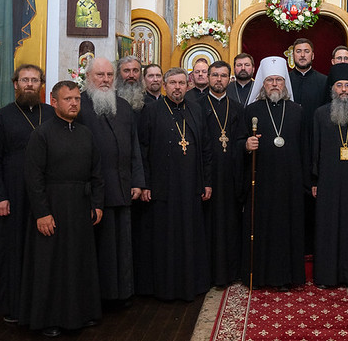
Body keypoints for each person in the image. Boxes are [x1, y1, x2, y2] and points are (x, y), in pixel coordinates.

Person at [19, 80, 103, 337]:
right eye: (68, 99)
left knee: (79, 261)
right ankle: (50, 319)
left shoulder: (86, 133)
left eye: (77, 99)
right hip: (53, 206)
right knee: (52, 264)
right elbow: (33, 178)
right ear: (54, 102)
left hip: (80, 206)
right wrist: (42, 213)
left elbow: (97, 173)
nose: (74, 103)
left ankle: (82, 313)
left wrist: (97, 204)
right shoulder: (41, 134)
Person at [0, 64, 55, 324]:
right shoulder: (1, 117)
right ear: (15, 84)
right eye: (25, 80)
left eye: (34, 80)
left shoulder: (52, 114)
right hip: (13, 192)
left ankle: (42, 304)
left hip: (47, 192)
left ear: (41, 85)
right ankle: (12, 305)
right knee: (12, 248)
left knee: (42, 248)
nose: (29, 85)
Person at [138, 68, 212, 300]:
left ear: (188, 86)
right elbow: (142, 149)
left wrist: (207, 182)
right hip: (163, 186)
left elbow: (206, 148)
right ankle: (166, 287)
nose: (177, 87)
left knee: (190, 234)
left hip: (191, 184)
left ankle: (192, 284)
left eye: (181, 83)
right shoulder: (151, 110)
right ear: (165, 85)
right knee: (166, 236)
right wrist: (145, 183)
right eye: (172, 83)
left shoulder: (196, 109)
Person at [77, 57, 144, 306]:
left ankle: (122, 294)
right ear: (88, 77)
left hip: (123, 186)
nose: (105, 80)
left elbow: (134, 147)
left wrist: (137, 181)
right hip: (94, 191)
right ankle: (101, 297)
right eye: (100, 75)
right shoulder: (80, 105)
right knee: (101, 247)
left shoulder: (123, 106)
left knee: (122, 246)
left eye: (108, 75)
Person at [243, 56, 307, 289]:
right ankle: (261, 277)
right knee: (263, 228)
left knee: (288, 229)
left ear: (285, 83)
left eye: (279, 80)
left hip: (291, 182)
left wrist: (305, 181)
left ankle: (289, 277)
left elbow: (305, 147)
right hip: (262, 182)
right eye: (270, 80)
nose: (274, 85)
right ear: (263, 83)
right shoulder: (252, 110)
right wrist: (246, 145)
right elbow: (240, 142)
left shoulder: (297, 111)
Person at [312, 63, 348, 288]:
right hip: (328, 180)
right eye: (339, 85)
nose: (344, 90)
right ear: (332, 88)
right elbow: (315, 150)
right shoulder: (320, 114)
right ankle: (326, 276)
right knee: (328, 226)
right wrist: (314, 180)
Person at [202, 61, 246, 286]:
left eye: (223, 76)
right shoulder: (197, 106)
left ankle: (231, 271)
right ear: (208, 77)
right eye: (215, 75)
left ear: (230, 79)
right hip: (207, 176)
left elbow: (241, 141)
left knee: (230, 223)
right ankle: (208, 273)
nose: (219, 79)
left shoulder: (237, 108)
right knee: (208, 225)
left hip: (230, 177)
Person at [288, 38, 327, 254]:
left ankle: (313, 247)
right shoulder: (283, 80)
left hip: (315, 144)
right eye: (298, 51)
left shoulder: (324, 81)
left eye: (306, 51)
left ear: (313, 55)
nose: (302, 55)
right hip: (290, 146)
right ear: (292, 55)